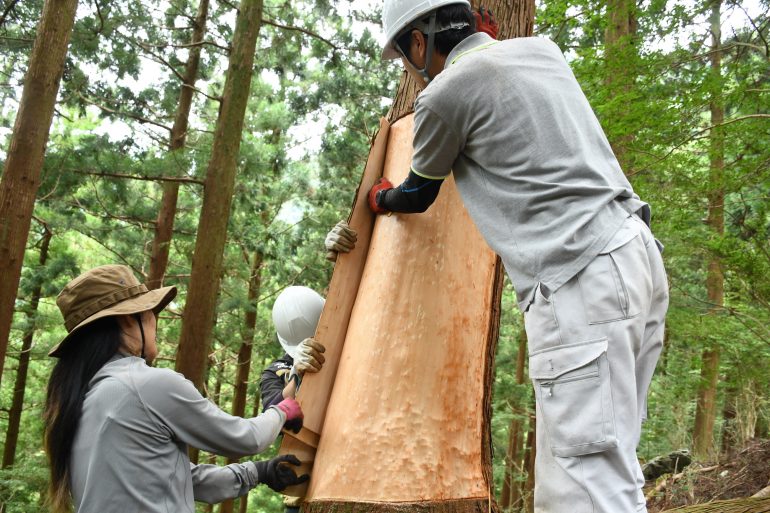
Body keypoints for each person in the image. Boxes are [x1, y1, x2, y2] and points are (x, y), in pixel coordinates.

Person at [331, 2, 669, 512]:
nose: (408, 71)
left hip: (579, 279)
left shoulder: (444, 94)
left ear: (419, 44)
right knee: (611, 464)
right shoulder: (543, 52)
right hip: (635, 255)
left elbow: (419, 194)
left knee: (582, 485)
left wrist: (379, 199)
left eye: (404, 56)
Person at [44, 264, 308, 513]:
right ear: (126, 321)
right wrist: (281, 410)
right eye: (151, 311)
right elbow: (244, 439)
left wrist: (257, 472)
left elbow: (176, 478)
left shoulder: (78, 403)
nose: (154, 320)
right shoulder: (144, 385)